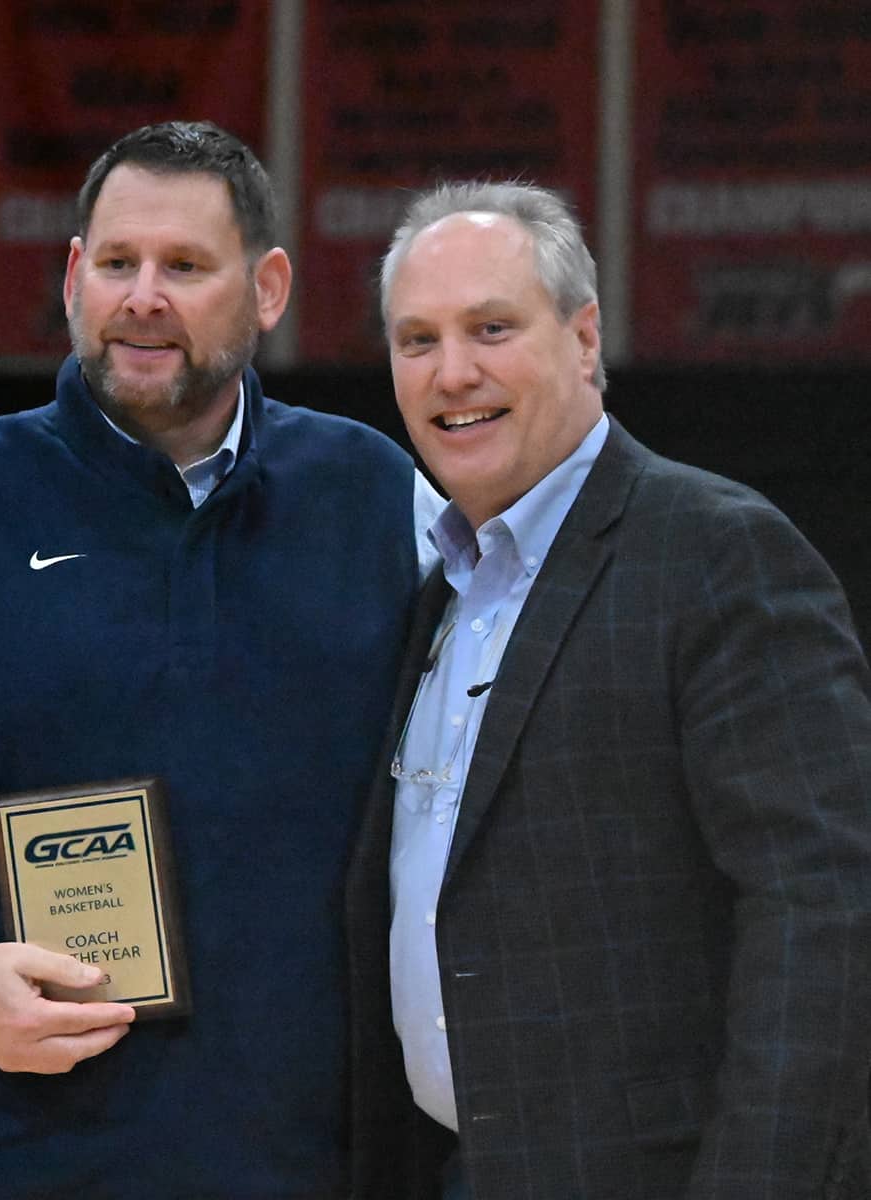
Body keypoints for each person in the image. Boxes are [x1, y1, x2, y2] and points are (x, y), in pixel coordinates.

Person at [0, 121, 442, 1200]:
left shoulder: (380, 501)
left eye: (185, 267)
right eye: (115, 263)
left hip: (295, 1164)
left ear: (268, 288)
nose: (142, 296)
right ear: (73, 276)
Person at [345, 179, 871, 1200]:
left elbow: (826, 913)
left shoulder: (715, 551)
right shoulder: (432, 593)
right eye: (417, 340)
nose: (452, 372)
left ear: (583, 339)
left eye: (490, 328)